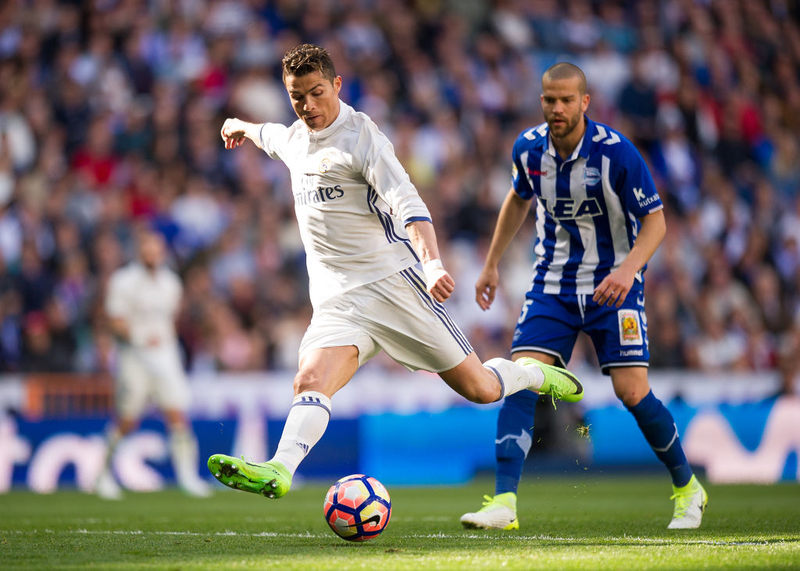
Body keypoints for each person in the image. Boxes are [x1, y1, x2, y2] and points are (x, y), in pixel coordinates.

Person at [207, 44, 584, 499]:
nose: (308, 106)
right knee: (309, 379)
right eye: (297, 97)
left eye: (317, 92)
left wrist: (431, 264)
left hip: (393, 285)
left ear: (337, 86)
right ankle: (279, 470)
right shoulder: (293, 139)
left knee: (482, 389)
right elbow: (267, 133)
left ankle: (534, 374)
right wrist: (239, 127)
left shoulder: (362, 136)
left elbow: (410, 207)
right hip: (337, 299)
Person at [459, 63, 707, 530]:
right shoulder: (529, 149)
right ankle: (504, 503)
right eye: (549, 100)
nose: (557, 108)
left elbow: (656, 221)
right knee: (520, 378)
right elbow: (518, 198)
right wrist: (492, 263)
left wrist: (628, 270)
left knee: (631, 392)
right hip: (552, 284)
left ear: (585, 102)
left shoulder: (617, 154)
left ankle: (688, 489)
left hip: (614, 286)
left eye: (566, 100)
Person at [95, 229, 211, 499]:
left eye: (156, 249)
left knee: (178, 413)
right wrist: (141, 337)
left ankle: (187, 477)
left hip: (165, 356)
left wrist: (163, 342)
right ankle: (102, 474)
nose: (152, 254)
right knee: (127, 419)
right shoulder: (123, 281)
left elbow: (170, 319)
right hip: (134, 356)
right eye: (148, 248)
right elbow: (114, 320)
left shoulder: (171, 282)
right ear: (139, 250)